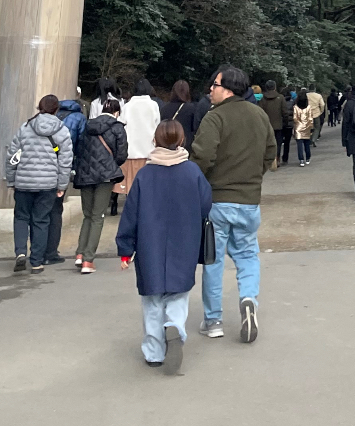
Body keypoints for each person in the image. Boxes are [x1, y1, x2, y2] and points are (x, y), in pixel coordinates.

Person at [189, 64, 276, 345]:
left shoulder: (215, 118)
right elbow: (270, 153)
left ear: (226, 89)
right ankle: (248, 300)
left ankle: (213, 320)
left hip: (218, 200)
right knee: (248, 255)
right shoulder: (259, 115)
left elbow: (202, 157)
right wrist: (253, 177)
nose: (210, 91)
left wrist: (194, 184)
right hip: (249, 201)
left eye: (214, 85)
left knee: (213, 260)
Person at [116, 120, 212, 373]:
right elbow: (205, 205)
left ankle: (154, 351)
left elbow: (131, 214)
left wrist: (125, 249)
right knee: (179, 293)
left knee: (152, 298)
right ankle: (176, 327)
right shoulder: (193, 172)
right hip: (185, 240)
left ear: (155, 141)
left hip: (150, 243)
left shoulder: (145, 175)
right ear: (181, 141)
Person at [5, 93, 73, 273]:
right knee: (41, 220)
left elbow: (12, 156)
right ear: (56, 109)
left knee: (21, 217)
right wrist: (62, 185)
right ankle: (36, 261)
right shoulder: (62, 131)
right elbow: (65, 161)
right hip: (48, 184)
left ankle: (20, 252)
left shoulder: (25, 128)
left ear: (39, 107)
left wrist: (11, 179)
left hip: (23, 182)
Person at [72, 95, 128, 272]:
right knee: (98, 216)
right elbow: (121, 155)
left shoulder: (87, 126)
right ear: (117, 112)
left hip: (85, 175)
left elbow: (79, 150)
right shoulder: (118, 128)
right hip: (104, 177)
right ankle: (89, 259)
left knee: (87, 215)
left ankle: (80, 254)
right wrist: (111, 165)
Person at [44, 91, 88, 265]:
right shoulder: (78, 118)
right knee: (56, 210)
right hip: (62, 166)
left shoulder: (46, 118)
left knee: (41, 212)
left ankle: (37, 251)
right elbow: (81, 145)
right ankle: (51, 252)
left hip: (41, 168)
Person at [118, 79, 161, 202]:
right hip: (148, 150)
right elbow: (157, 125)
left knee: (130, 184)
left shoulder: (127, 106)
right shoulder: (153, 105)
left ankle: (129, 206)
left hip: (130, 151)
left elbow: (122, 125)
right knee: (146, 185)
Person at [257, 80, 288, 165]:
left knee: (267, 144)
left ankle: (268, 160)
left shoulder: (263, 99)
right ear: (275, 87)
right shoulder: (280, 98)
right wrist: (285, 123)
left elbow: (260, 112)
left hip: (266, 125)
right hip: (278, 125)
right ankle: (276, 159)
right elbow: (285, 112)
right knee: (278, 144)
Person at [292, 90, 315, 165]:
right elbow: (311, 118)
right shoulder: (308, 107)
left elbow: (295, 118)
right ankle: (308, 158)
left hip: (298, 127)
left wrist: (298, 124)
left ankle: (301, 159)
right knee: (307, 144)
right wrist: (311, 127)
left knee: (299, 145)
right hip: (307, 127)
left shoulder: (295, 107)